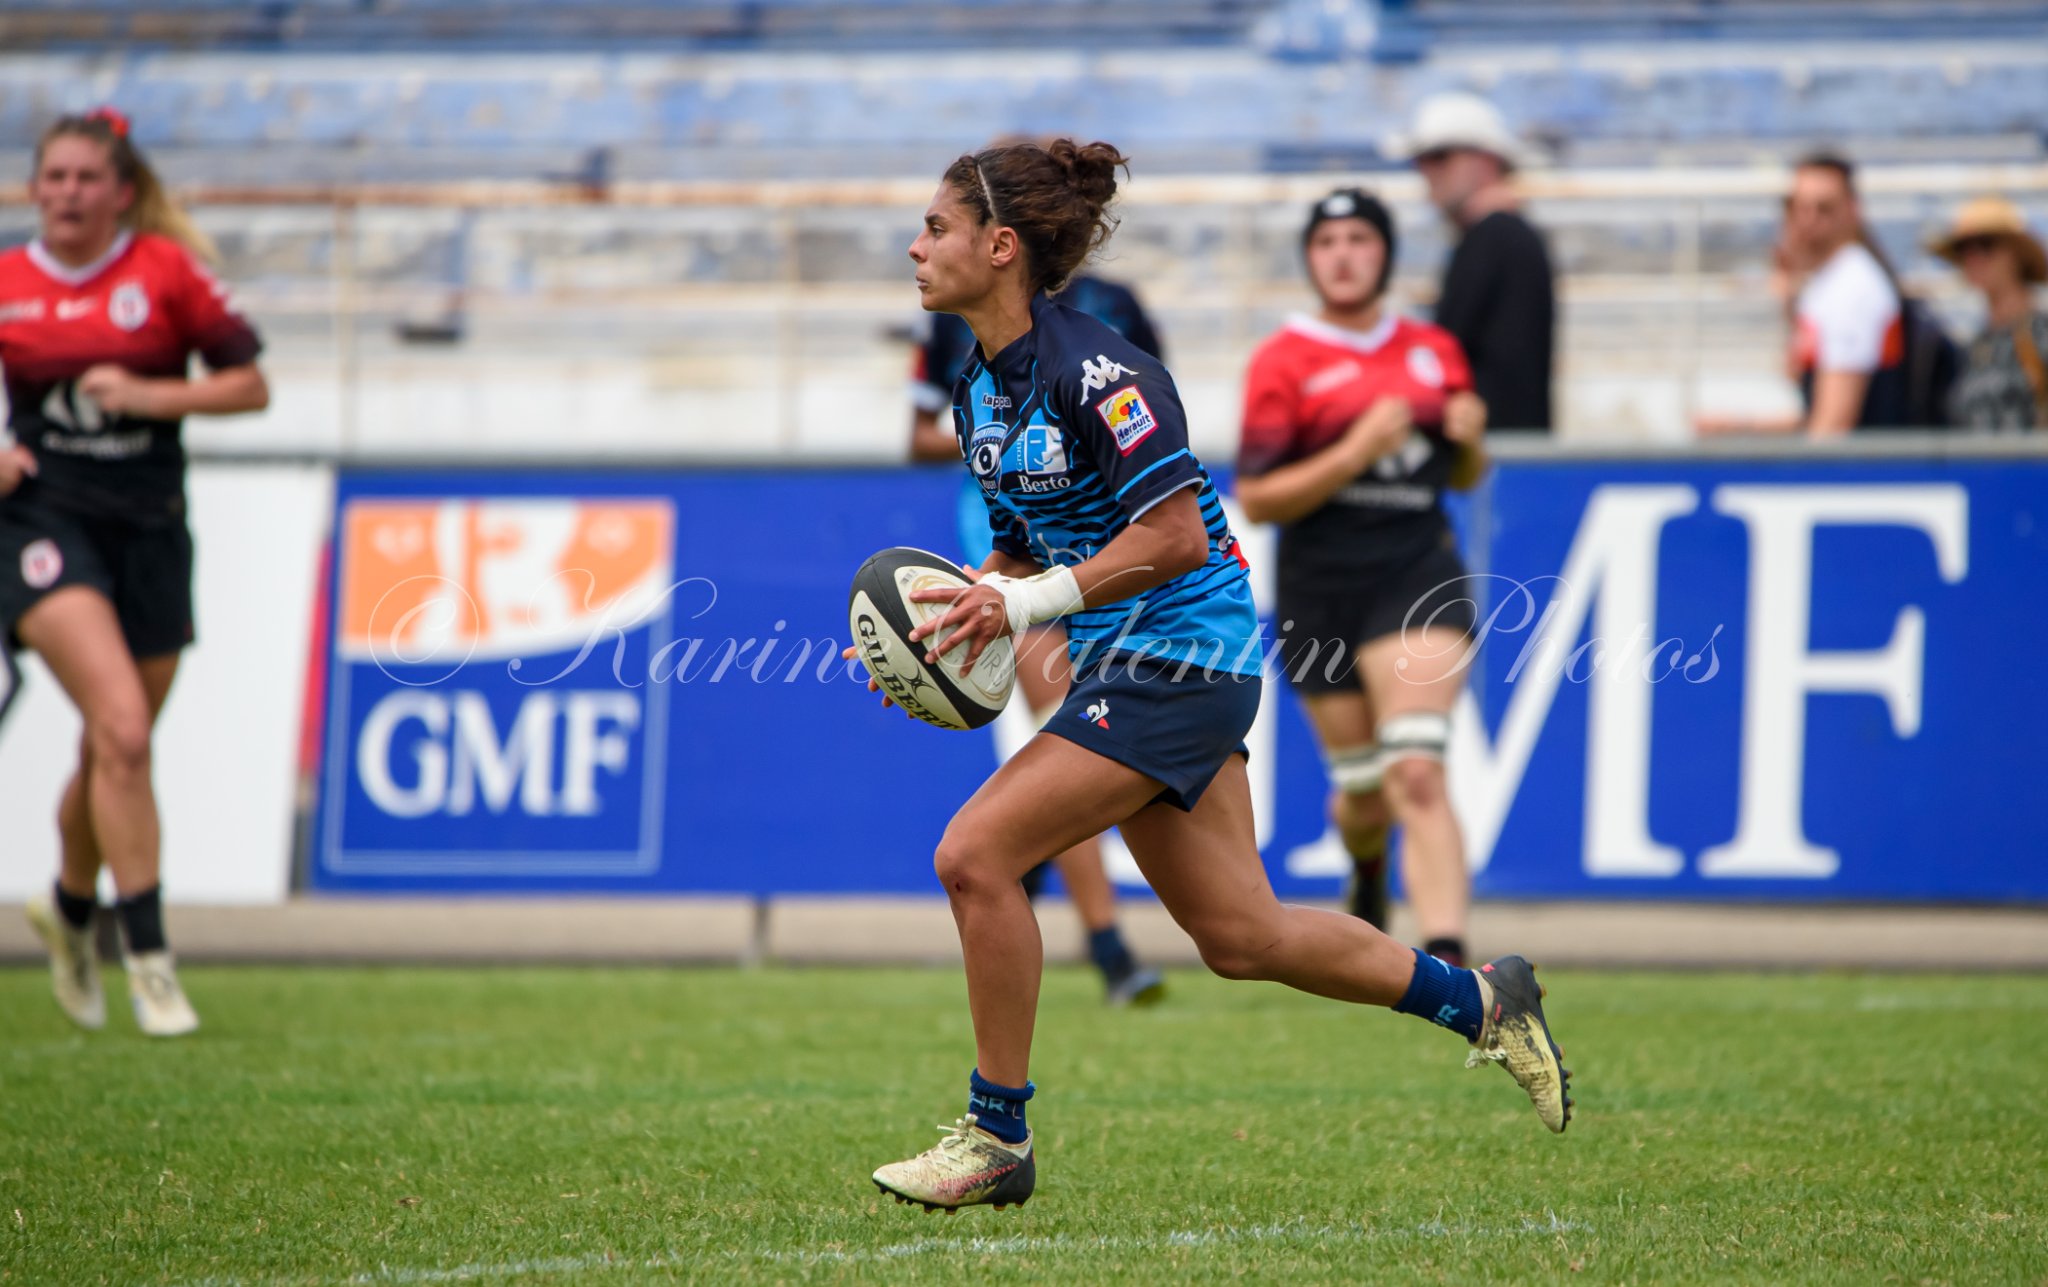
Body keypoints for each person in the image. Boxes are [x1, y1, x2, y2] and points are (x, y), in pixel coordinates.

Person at [846, 137, 1570, 1214]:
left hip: (1177, 658)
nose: (914, 247)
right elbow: (1018, 546)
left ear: (999, 249)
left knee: (973, 856)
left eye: (937, 229)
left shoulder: (1102, 372)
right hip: (1135, 659)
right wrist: (950, 616)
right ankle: (1481, 1000)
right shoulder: (977, 391)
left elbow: (1178, 535)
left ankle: (995, 1135)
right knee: (1242, 936)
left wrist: (1027, 603)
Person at [2, 108, 270, 1037]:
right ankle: (149, 959)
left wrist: (155, 393)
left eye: (86, 177)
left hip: (150, 528)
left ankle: (69, 907)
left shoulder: (165, 275)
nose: (67, 192)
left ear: (122, 192)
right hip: (41, 526)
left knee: (114, 746)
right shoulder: (8, 283)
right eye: (54, 176)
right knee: (120, 725)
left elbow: (251, 381)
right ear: (35, 186)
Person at [1235, 188, 1488, 965]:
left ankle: (1450, 961)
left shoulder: (1432, 349)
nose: (1344, 254)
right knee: (1366, 793)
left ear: (1385, 252)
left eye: (1359, 239)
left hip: (1416, 570)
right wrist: (1353, 451)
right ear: (1311, 259)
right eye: (1328, 241)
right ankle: (1368, 867)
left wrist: (1474, 441)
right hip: (1322, 585)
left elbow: (1466, 474)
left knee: (1418, 768)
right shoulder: (1284, 359)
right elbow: (1259, 496)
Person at [909, 274, 1167, 1008]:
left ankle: (1041, 863)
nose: (920, 248)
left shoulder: (1113, 310)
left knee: (1239, 931)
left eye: (939, 225)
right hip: (1008, 550)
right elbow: (918, 433)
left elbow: (1149, 421)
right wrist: (1010, 451)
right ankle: (1110, 943)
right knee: (1064, 725)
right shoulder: (960, 332)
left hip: (1105, 551)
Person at [1697, 153, 1920, 436]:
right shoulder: (1828, 284)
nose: (1808, 221)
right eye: (1796, 208)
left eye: (1823, 208)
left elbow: (1832, 427)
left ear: (1853, 211)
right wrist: (1739, 428)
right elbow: (1809, 404)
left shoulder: (1852, 288)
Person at [1406, 92, 1555, 434]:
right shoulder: (1504, 236)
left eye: (1440, 156)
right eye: (1422, 160)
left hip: (1492, 455)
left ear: (1486, 159)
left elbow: (1445, 346)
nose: (1426, 171)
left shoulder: (1493, 237)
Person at [1932, 197, 2048, 431]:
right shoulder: (1974, 346)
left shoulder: (2040, 334)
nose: (1973, 258)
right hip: (1977, 467)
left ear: (2015, 253)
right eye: (1963, 249)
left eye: (1986, 245)